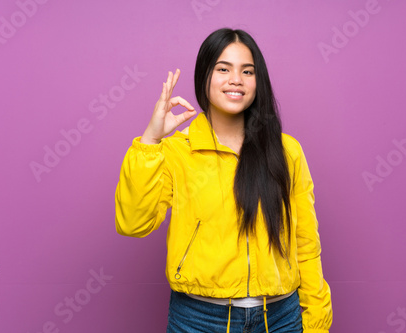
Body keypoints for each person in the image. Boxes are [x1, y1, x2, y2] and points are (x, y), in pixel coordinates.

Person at [115, 28, 332, 333]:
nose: (236, 79)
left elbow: (306, 243)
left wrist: (316, 318)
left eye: (247, 71)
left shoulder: (286, 151)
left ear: (259, 81)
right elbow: (132, 223)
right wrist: (150, 140)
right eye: (223, 69)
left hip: (281, 318)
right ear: (204, 76)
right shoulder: (177, 151)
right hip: (198, 319)